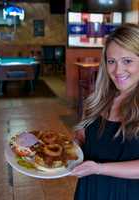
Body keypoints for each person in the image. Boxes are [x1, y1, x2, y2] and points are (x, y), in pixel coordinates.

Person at [70, 23, 139, 200]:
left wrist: (99, 168)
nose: (117, 70)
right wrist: (75, 143)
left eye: (127, 61)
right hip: (90, 189)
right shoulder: (99, 99)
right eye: (111, 61)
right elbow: (83, 135)